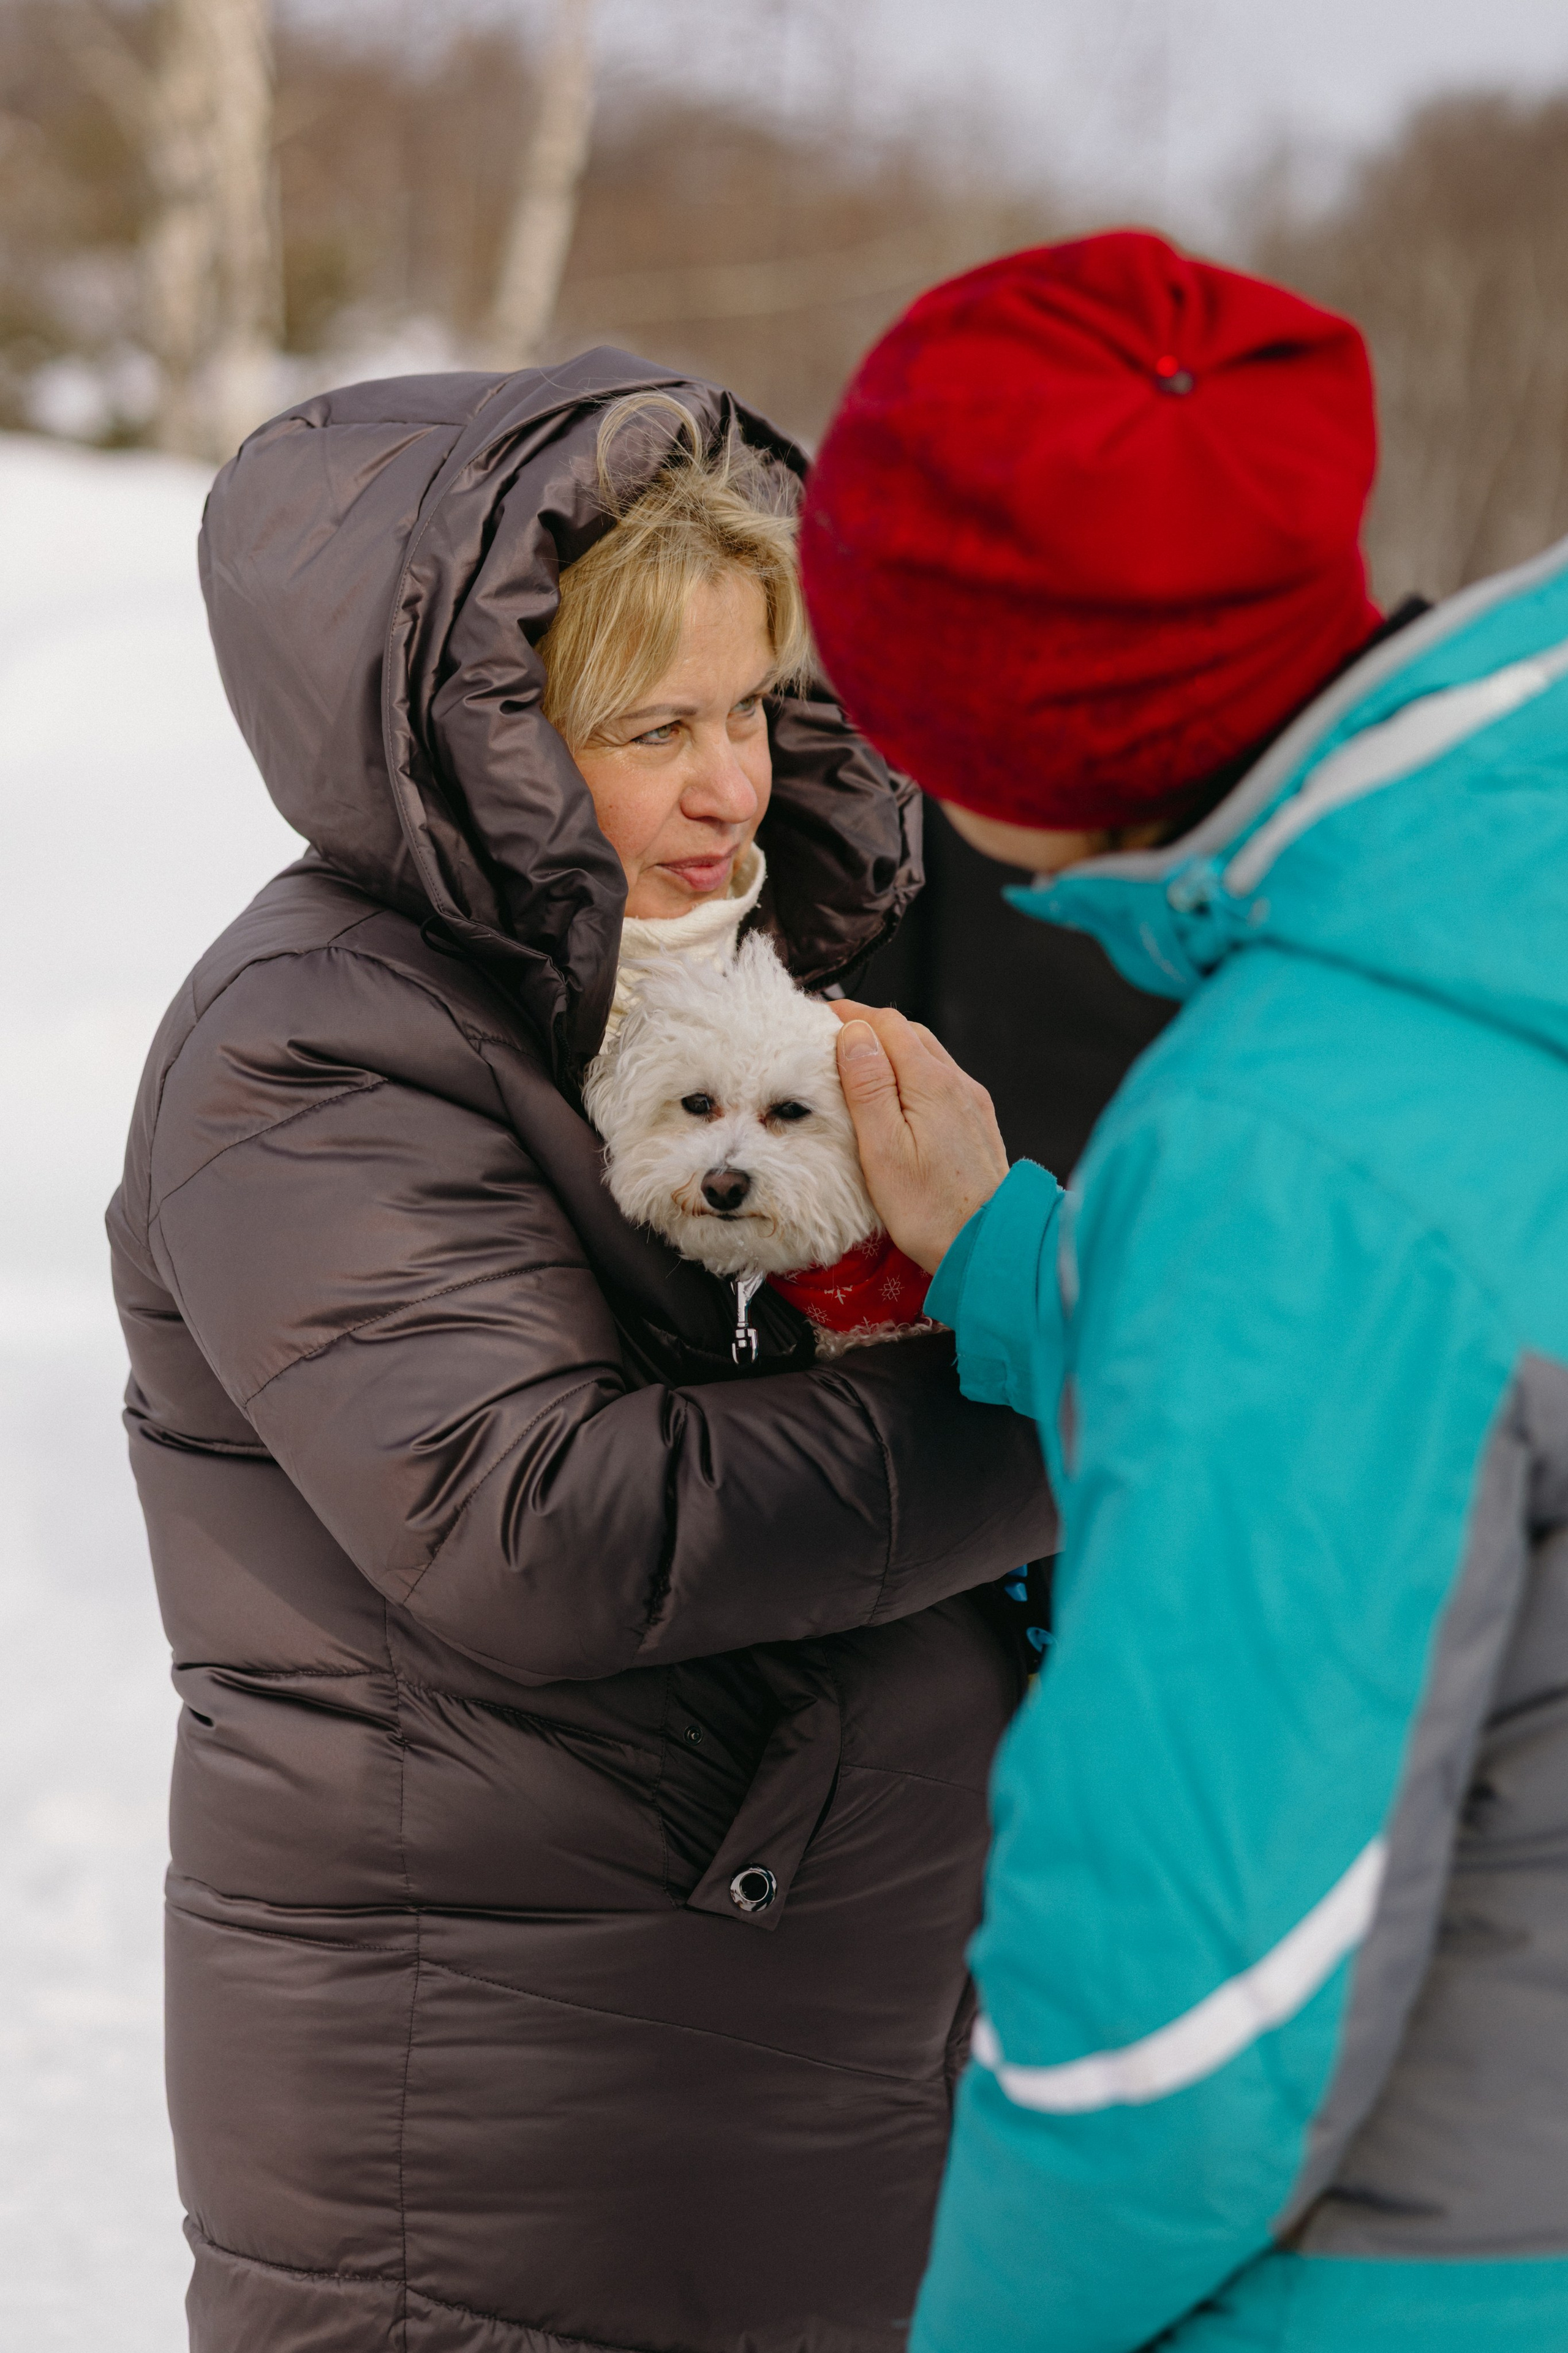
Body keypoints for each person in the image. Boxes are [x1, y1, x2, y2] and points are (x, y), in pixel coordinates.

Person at [107, 355, 1054, 2353]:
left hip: (725, 2100)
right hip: (493, 2150)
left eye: (752, 707)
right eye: (651, 728)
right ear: (491, 742)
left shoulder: (691, 987)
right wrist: (1054, 1393)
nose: (730, 785)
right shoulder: (317, 1044)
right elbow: (534, 1521)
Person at [802, 230, 1568, 2352]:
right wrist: (1017, 1260)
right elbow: (1484, 1321)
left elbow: (1189, 2032)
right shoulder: (1506, 906)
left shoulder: (1289, 1153)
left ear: (987, 720)